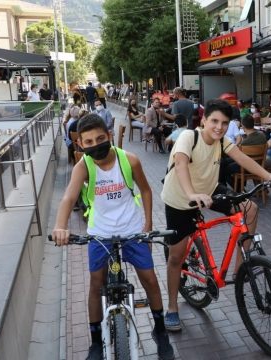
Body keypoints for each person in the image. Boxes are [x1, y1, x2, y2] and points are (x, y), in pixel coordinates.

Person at [51, 114, 174, 360]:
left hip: (132, 230)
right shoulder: (83, 166)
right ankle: (96, 341)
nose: (95, 144)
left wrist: (147, 226)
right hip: (100, 234)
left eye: (100, 138)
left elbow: (147, 191)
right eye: (88, 142)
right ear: (81, 145)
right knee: (96, 285)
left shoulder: (130, 160)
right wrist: (60, 226)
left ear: (108, 135)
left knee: (150, 280)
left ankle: (160, 332)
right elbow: (68, 198)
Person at [161, 99, 271, 331]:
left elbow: (243, 159)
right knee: (176, 257)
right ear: (204, 120)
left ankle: (240, 270)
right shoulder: (189, 137)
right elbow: (180, 165)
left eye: (224, 123)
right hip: (180, 198)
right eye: (214, 121)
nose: (219, 127)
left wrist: (267, 175)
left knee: (249, 209)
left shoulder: (222, 141)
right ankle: (172, 307)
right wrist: (191, 193)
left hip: (208, 190)